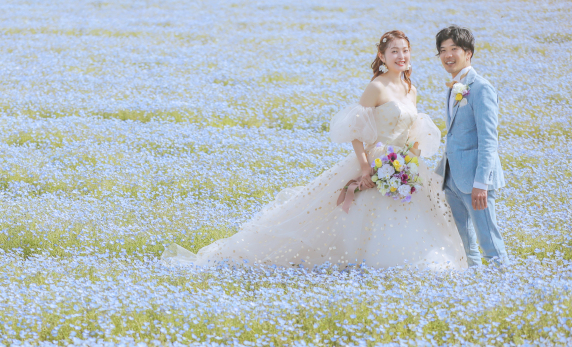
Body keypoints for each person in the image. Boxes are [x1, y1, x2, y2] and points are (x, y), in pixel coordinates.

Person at [163, 30, 467, 270]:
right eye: (394, 52)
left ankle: (400, 265)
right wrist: (365, 168)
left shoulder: (411, 89)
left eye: (405, 51)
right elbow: (356, 131)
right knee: (353, 214)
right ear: (382, 56)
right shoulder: (376, 87)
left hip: (402, 164)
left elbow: (413, 129)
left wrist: (410, 157)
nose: (401, 56)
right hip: (375, 159)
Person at [434, 25, 509, 266]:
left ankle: (505, 286)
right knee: (464, 247)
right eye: (443, 50)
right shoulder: (453, 86)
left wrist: (481, 183)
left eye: (454, 48)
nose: (448, 55)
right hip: (453, 178)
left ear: (468, 53)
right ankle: (476, 291)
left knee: (489, 241)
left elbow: (489, 140)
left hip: (476, 181)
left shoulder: (481, 88)